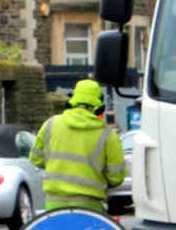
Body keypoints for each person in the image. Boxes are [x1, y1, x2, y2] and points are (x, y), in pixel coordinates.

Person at [30, 78, 125, 211]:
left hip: (54, 204)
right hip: (91, 205)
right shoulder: (108, 135)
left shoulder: (50, 125)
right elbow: (116, 178)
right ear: (99, 107)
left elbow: (35, 159)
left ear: (72, 100)